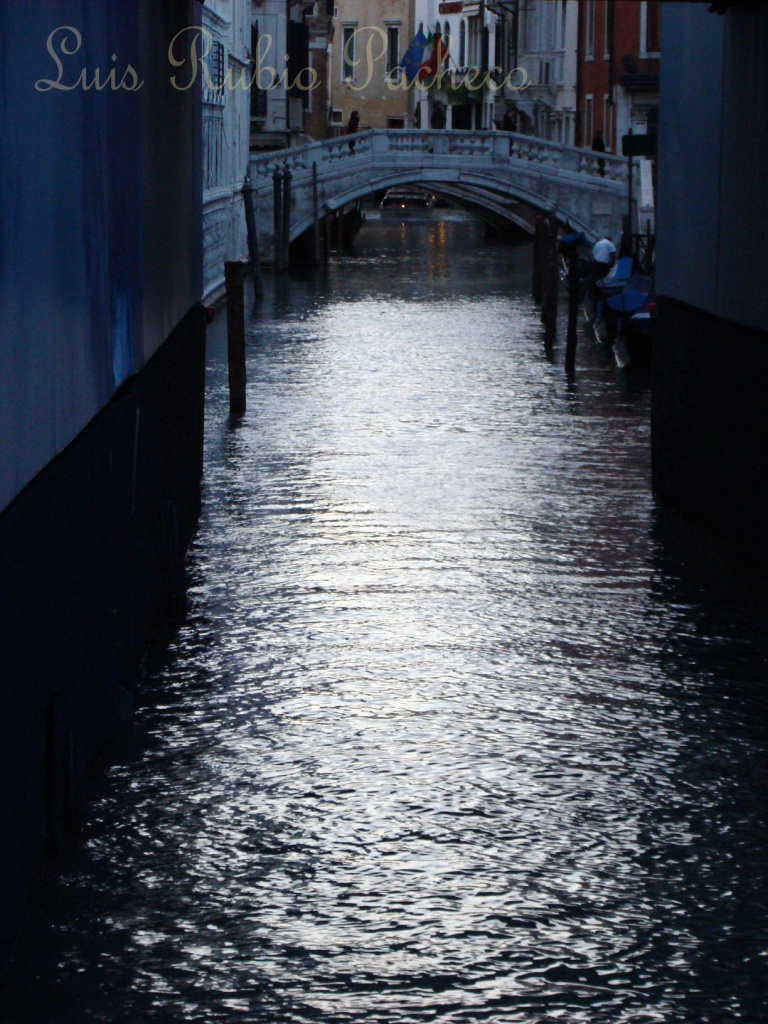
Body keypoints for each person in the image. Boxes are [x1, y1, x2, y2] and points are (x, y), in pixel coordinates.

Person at [581, 234, 617, 321]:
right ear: (610, 240)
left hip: (595, 264)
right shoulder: (610, 244)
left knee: (596, 281)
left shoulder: (598, 243)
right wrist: (613, 265)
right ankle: (602, 294)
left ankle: (595, 293)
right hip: (603, 265)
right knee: (604, 280)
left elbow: (592, 255)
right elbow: (613, 255)